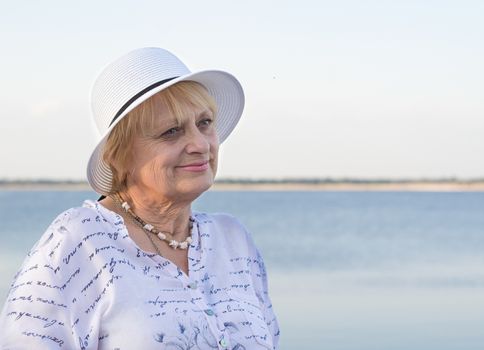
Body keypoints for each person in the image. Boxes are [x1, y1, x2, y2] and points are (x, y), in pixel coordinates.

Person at [0, 47, 279, 349]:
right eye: (171, 131)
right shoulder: (79, 241)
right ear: (120, 156)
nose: (200, 144)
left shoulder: (233, 240)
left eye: (204, 123)